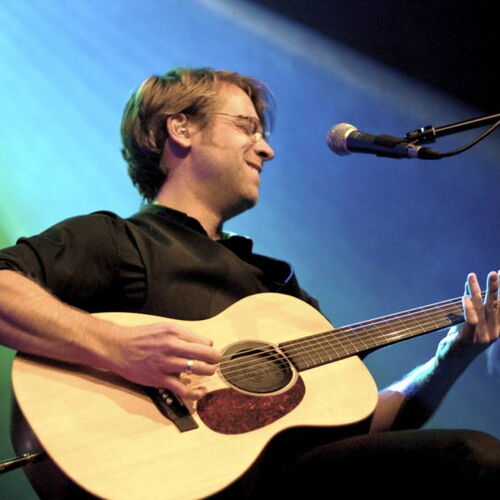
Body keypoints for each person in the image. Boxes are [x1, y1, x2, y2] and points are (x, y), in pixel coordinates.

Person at [0, 68, 499, 497]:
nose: (267, 149)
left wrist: (449, 359)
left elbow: (361, 434)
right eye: (246, 127)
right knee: (473, 455)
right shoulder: (118, 241)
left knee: (469, 459)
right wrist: (117, 347)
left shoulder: (277, 289)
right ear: (181, 128)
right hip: (163, 477)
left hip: (277, 479)